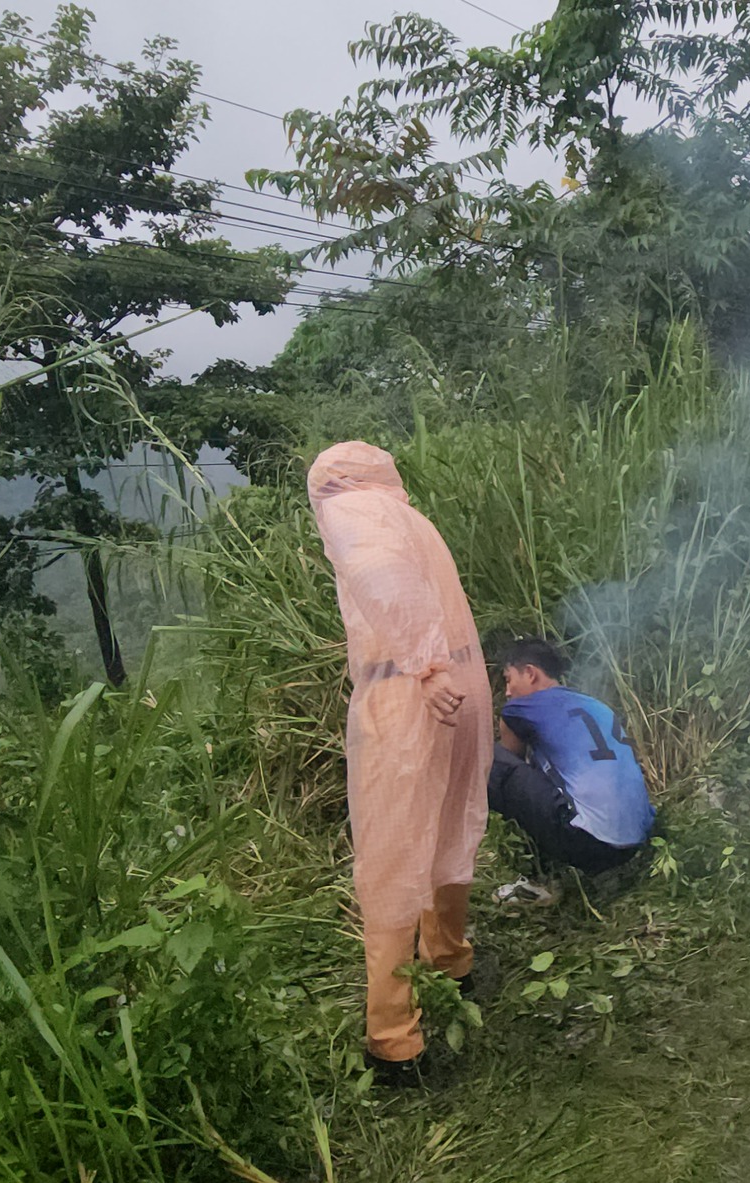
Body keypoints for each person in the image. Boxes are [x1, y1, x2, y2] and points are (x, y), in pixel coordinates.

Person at [307, 441, 491, 1071]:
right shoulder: (411, 517)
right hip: (465, 687)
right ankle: (451, 961)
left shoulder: (353, 511)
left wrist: (425, 666)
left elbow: (385, 580)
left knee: (390, 860)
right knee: (448, 831)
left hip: (412, 694)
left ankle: (394, 1039)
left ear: (333, 482)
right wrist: (442, 670)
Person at [487, 637, 655, 905]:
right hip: (636, 843)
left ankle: (540, 882)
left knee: (487, 757)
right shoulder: (594, 704)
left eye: (509, 679)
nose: (507, 692)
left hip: (587, 841)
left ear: (530, 673)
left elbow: (511, 762)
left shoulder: (519, 709)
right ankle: (609, 874)